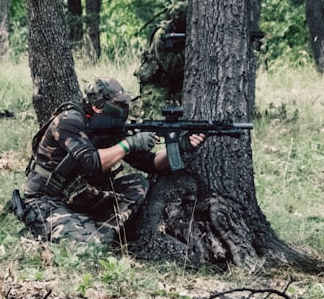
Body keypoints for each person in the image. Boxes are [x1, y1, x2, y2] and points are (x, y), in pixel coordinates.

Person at [17, 77, 204, 246]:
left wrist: (179, 147)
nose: (124, 110)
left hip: (83, 196)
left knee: (138, 183)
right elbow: (92, 162)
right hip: (46, 200)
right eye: (118, 105)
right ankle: (85, 234)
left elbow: (152, 163)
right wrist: (130, 143)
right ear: (98, 106)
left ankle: (103, 232)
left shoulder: (110, 128)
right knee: (87, 247)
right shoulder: (69, 121)